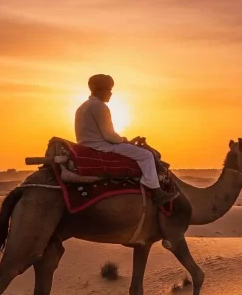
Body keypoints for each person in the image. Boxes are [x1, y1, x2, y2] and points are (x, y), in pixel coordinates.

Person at [75, 74, 177, 206]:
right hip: (102, 146)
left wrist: (121, 139)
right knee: (146, 155)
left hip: (86, 144)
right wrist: (122, 140)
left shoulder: (83, 106)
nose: (111, 93)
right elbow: (109, 135)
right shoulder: (100, 106)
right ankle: (156, 191)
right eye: (109, 90)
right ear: (100, 90)